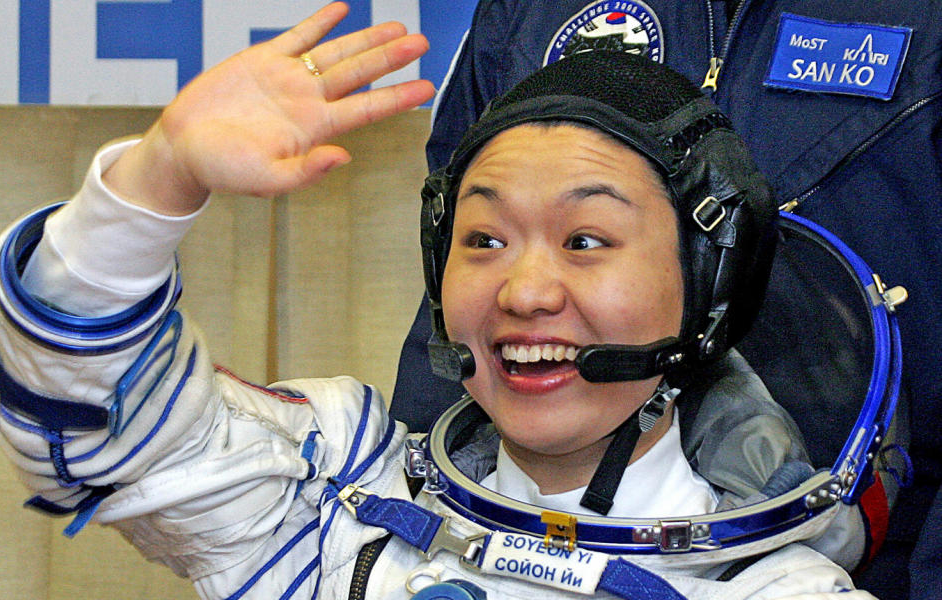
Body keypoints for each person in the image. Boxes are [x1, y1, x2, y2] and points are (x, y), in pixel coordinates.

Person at [0, 2, 881, 599]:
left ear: (705, 286)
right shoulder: (335, 493)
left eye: (584, 242)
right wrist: (158, 178)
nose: (524, 292)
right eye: (482, 240)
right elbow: (96, 428)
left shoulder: (775, 589)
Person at [389, 2, 942, 598]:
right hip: (498, 517)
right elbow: (461, 280)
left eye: (584, 241)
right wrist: (414, 517)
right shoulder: (527, 14)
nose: (526, 292)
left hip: (882, 541)